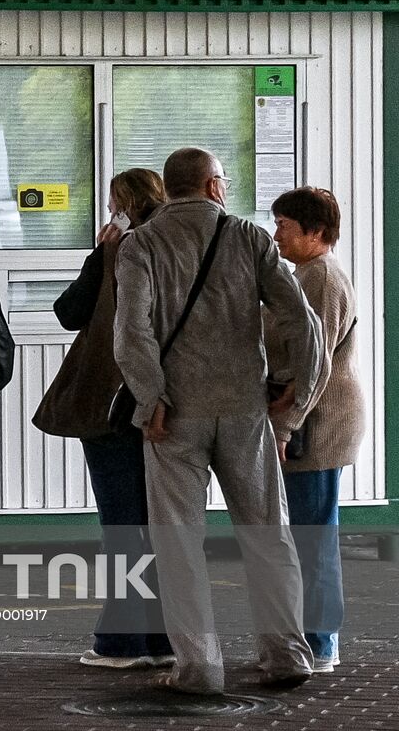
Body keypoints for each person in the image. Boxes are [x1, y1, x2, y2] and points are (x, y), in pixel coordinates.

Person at [114, 146, 322, 694]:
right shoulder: (249, 238)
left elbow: (131, 332)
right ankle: (286, 655)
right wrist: (295, 401)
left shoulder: (141, 243)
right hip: (243, 410)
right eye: (223, 180)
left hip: (172, 418)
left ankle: (200, 668)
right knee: (267, 533)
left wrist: (150, 396)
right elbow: (302, 321)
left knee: (180, 542)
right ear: (212, 186)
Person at [51, 169, 174, 669]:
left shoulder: (118, 251)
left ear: (124, 207)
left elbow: (69, 312)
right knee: (158, 524)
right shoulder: (176, 250)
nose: (107, 214)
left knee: (122, 524)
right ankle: (163, 639)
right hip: (171, 404)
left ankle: (122, 642)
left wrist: (100, 255)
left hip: (115, 406)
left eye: (111, 205)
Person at [265, 187, 363, 674]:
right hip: (308, 420)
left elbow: (315, 360)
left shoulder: (321, 277)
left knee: (313, 537)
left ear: (316, 232)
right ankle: (312, 642)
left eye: (284, 224)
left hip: (318, 428)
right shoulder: (304, 274)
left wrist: (286, 424)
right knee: (307, 533)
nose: (276, 232)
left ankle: (320, 645)